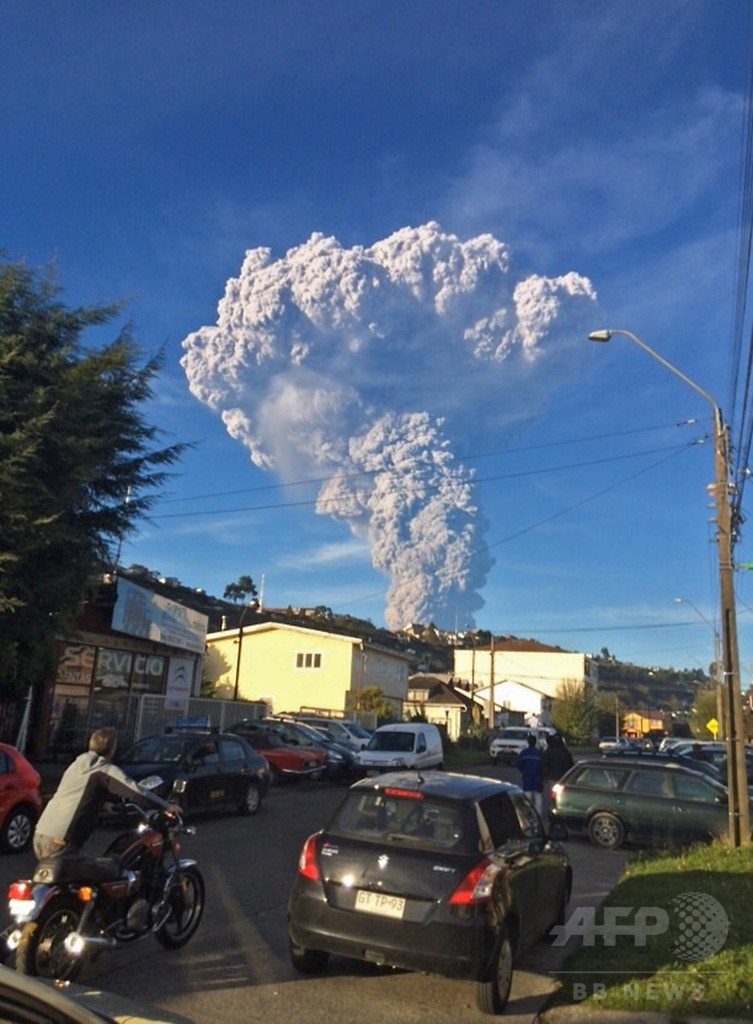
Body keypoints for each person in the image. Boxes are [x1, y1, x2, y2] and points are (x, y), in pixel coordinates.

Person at [33, 726, 180, 860]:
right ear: (112, 748)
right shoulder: (103, 769)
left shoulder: (77, 764)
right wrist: (166, 806)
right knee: (97, 880)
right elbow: (135, 791)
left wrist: (104, 805)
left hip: (41, 833)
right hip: (62, 839)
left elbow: (76, 793)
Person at [516, 734, 544, 815]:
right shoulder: (539, 754)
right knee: (538, 797)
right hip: (538, 778)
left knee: (527, 797)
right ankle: (538, 815)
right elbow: (543, 766)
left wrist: (523, 771)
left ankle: (527, 815)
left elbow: (519, 764)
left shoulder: (524, 753)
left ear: (528, 742)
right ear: (535, 743)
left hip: (527, 778)